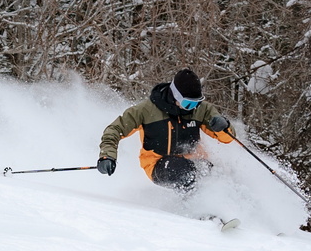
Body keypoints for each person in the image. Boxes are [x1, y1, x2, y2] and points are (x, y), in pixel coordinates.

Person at [97, 68, 235, 192]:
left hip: (195, 159)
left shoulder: (202, 110)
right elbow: (114, 129)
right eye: (188, 103)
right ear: (176, 95)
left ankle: (242, 209)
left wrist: (224, 127)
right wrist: (107, 156)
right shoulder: (146, 110)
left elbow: (227, 138)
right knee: (184, 171)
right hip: (158, 163)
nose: (193, 107)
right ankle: (199, 211)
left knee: (219, 174)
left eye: (197, 102)